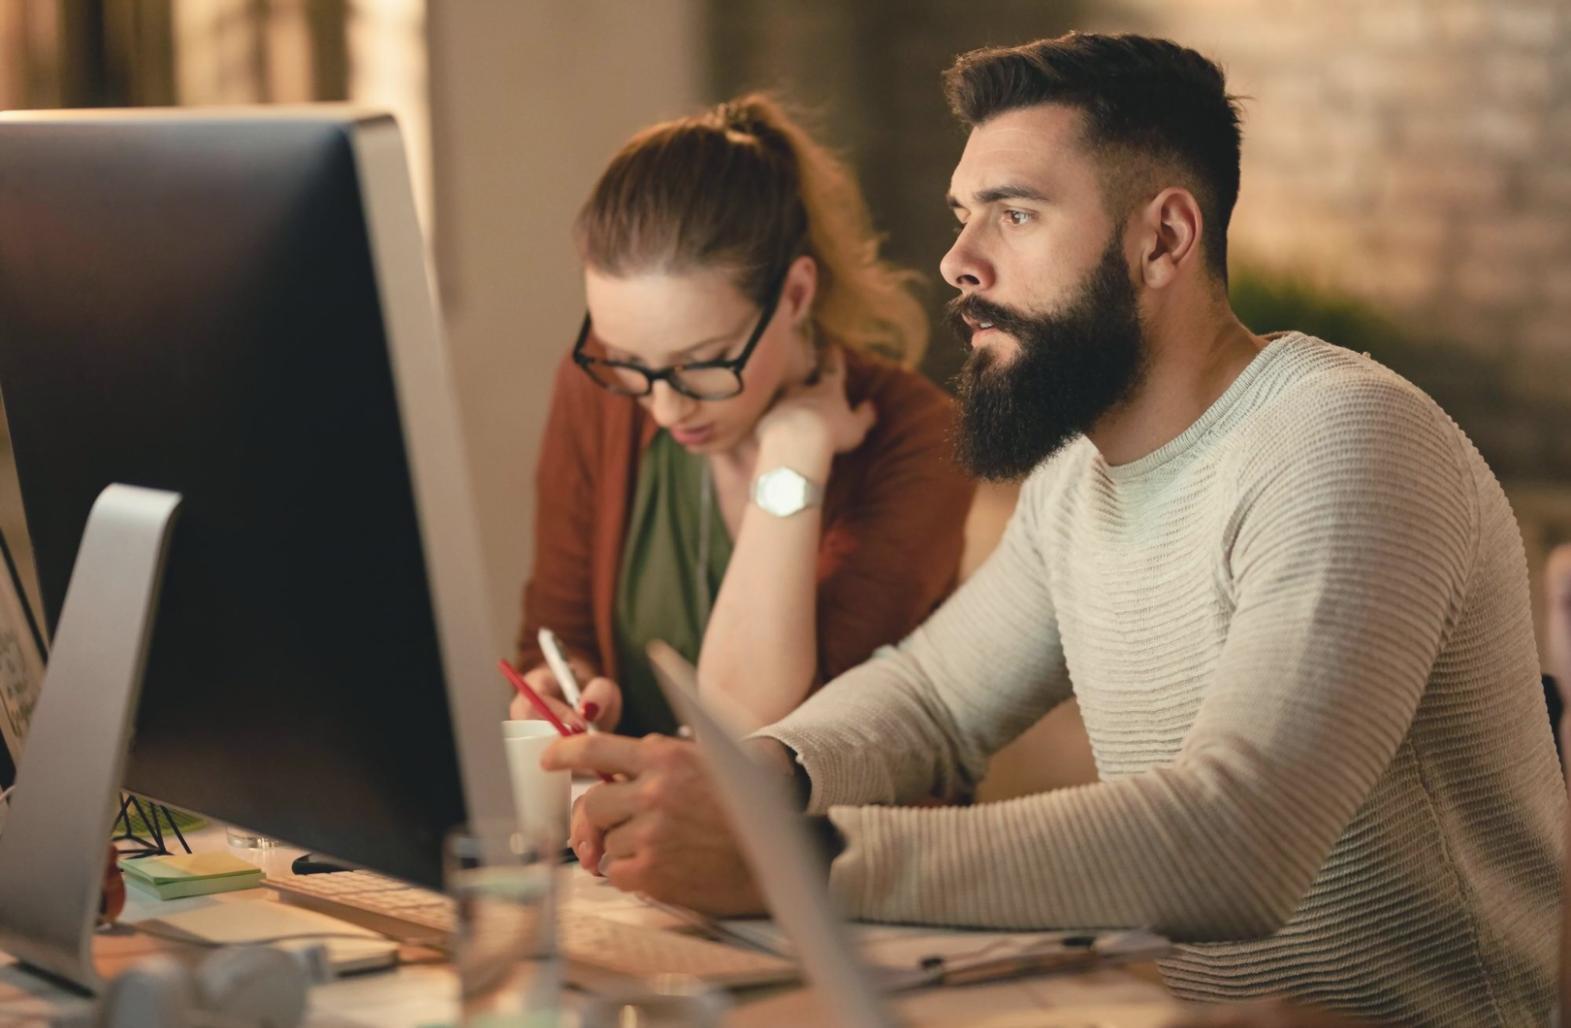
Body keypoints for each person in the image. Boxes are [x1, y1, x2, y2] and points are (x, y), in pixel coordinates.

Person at [544, 33, 1565, 1026]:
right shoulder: (1076, 479)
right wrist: (745, 774)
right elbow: (931, 699)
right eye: (960, 216)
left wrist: (785, 854)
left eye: (1014, 214)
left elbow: (1234, 837)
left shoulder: (1340, 441)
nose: (955, 260)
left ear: (1162, 239)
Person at [511, 95, 973, 737]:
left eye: (702, 361)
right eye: (628, 361)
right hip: (631, 832)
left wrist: (794, 453)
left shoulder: (918, 438)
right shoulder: (599, 391)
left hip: (845, 837)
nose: (667, 405)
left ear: (795, 295)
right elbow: (558, 633)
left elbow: (776, 730)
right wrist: (558, 689)